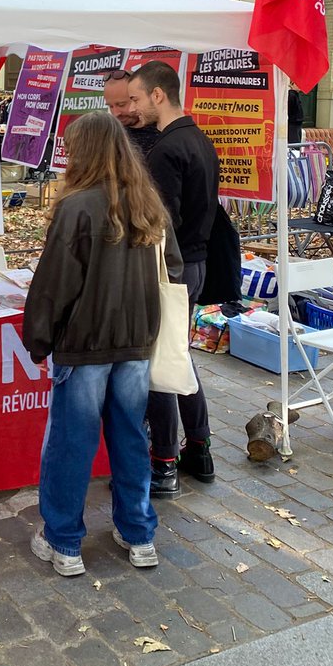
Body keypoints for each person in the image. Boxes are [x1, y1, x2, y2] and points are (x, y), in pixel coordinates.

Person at [23, 112, 183, 574]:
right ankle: (139, 535)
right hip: (135, 343)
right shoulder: (147, 202)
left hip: (86, 344)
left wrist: (38, 338)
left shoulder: (78, 206)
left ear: (84, 151)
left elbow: (54, 284)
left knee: (72, 443)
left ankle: (64, 542)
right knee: (130, 437)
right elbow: (171, 267)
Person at [128, 61, 219, 498]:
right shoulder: (200, 139)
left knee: (160, 361)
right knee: (178, 355)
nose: (134, 107)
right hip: (196, 262)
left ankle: (163, 459)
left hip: (172, 267)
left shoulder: (166, 149)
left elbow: (160, 222)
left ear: (158, 95)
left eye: (137, 99)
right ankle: (198, 445)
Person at [103, 69, 160, 156]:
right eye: (110, 106)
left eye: (121, 105)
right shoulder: (109, 136)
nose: (115, 113)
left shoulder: (164, 132)